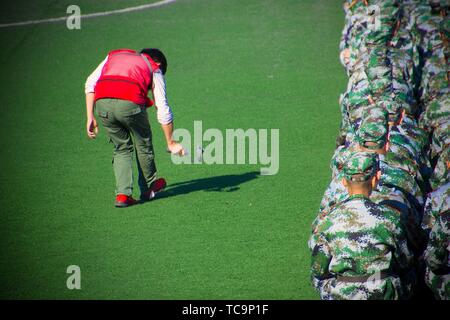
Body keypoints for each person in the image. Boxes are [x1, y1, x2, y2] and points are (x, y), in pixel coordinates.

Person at [84, 48, 184, 207]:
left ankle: (123, 195)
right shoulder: (154, 67)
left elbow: (90, 83)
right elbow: (162, 106)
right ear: (158, 63)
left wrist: (90, 116)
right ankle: (149, 186)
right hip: (130, 102)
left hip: (102, 104)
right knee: (143, 142)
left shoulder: (114, 56)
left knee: (121, 147)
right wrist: (170, 142)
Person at [309, 151, 415, 300]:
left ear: (344, 181)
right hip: (383, 291)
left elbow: (318, 269)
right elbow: (405, 260)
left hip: (341, 292)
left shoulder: (327, 220)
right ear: (375, 180)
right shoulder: (390, 218)